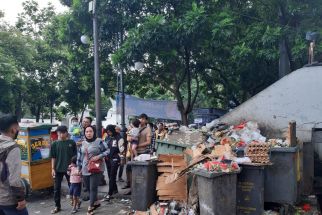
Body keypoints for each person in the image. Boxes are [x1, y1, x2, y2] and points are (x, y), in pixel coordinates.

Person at [0, 114, 28, 215]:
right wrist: (20, 199)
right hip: (10, 200)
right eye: (18, 127)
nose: (19, 129)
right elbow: (14, 179)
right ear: (13, 129)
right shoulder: (13, 148)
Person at [77, 126, 108, 215]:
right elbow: (79, 156)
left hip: (97, 168)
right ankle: (96, 201)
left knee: (93, 187)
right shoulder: (82, 143)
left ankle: (91, 207)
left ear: (94, 132)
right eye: (86, 132)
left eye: (90, 131)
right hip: (85, 168)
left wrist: (99, 156)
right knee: (88, 188)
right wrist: (79, 168)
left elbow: (107, 151)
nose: (88, 133)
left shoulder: (99, 141)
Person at [50, 126, 77, 214]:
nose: (61, 134)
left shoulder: (72, 142)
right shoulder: (54, 144)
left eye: (63, 132)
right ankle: (57, 206)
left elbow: (75, 156)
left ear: (66, 133)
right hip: (58, 169)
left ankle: (75, 204)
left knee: (72, 188)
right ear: (57, 133)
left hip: (70, 169)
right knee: (56, 188)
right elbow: (53, 157)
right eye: (59, 133)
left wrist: (74, 167)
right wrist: (53, 169)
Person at [123, 113, 152, 192]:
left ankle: (138, 189)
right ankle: (131, 187)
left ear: (146, 120)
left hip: (141, 152)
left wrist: (137, 145)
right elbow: (128, 137)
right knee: (129, 169)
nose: (141, 120)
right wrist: (129, 138)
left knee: (139, 173)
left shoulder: (148, 129)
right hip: (131, 151)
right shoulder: (133, 127)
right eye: (140, 118)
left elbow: (148, 142)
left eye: (143, 119)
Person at [103, 125, 125, 201]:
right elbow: (105, 147)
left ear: (113, 130)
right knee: (110, 176)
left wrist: (122, 159)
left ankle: (109, 193)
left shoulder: (119, 138)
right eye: (107, 132)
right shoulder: (107, 137)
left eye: (109, 131)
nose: (108, 133)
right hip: (107, 159)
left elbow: (122, 150)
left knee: (112, 176)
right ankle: (115, 190)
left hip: (115, 159)